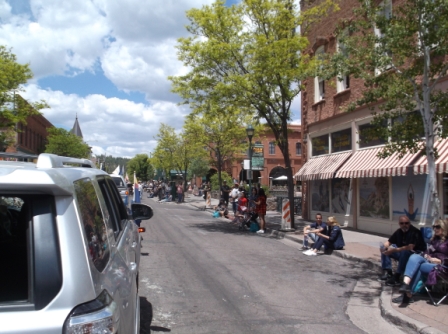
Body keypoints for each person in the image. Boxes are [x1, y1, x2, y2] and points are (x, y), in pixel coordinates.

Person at [393, 219, 448, 304]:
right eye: (434, 227)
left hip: (443, 267)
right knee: (415, 257)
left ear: (444, 228)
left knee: (419, 266)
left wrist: (441, 261)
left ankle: (407, 294)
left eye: (438, 227)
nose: (435, 229)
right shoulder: (434, 240)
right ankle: (405, 285)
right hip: (430, 263)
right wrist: (426, 256)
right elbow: (427, 252)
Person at [378, 215, 427, 286]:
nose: (404, 225)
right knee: (384, 248)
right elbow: (389, 242)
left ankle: (397, 276)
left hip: (415, 255)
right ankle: (388, 272)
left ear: (409, 223)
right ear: (399, 224)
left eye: (406, 223)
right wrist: (384, 247)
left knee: (404, 251)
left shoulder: (415, 232)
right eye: (402, 223)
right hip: (402, 254)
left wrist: (393, 250)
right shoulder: (399, 232)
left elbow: (409, 247)